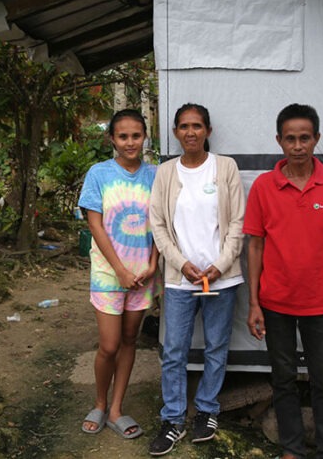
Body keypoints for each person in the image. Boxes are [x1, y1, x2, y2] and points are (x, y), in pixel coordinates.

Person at [244, 104, 323, 459]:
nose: (298, 145)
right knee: (283, 380)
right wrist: (253, 303)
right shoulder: (264, 187)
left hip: (321, 302)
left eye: (305, 138)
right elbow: (255, 246)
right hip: (275, 301)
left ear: (316, 139)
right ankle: (291, 448)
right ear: (279, 141)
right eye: (290, 138)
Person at [148, 103, 245, 456]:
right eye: (184, 126)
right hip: (179, 279)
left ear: (208, 130)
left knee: (217, 348)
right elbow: (157, 224)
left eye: (197, 126)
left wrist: (220, 265)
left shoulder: (225, 168)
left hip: (223, 279)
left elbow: (237, 222)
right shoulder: (166, 172)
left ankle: (207, 409)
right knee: (174, 351)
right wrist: (181, 263)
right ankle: (173, 418)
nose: (191, 132)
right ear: (175, 132)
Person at [77, 109, 160, 439]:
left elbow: (162, 224)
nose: (130, 142)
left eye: (136, 136)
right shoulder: (98, 174)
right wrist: (121, 270)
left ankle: (116, 409)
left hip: (144, 273)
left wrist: (153, 263)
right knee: (109, 345)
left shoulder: (155, 176)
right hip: (110, 273)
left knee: (130, 339)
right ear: (112, 138)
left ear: (144, 138)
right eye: (123, 136)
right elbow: (95, 225)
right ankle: (99, 402)